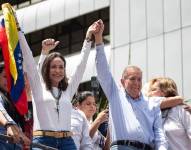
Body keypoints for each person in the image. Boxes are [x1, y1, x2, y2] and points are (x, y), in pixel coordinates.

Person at [20, 20, 100, 149]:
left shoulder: (68, 90)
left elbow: (81, 66)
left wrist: (88, 38)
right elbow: (28, 59)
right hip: (43, 142)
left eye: (61, 67)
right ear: (46, 69)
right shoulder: (38, 87)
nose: (58, 71)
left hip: (67, 142)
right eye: (54, 67)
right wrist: (18, 31)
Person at [94, 19, 167, 150]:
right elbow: (103, 72)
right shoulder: (115, 96)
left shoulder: (152, 104)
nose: (137, 83)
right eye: (133, 79)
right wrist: (98, 39)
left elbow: (159, 135)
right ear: (122, 82)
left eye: (139, 79)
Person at [147, 77, 191, 150]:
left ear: (166, 91)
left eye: (154, 90)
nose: (150, 93)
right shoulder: (152, 113)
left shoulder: (182, 110)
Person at [0, 62, 30, 150]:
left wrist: (20, 133)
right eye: (5, 77)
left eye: (11, 78)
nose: (9, 81)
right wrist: (9, 125)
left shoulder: (12, 99)